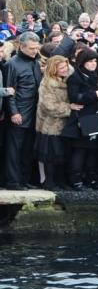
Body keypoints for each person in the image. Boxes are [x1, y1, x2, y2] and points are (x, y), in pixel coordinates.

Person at [65, 47, 98, 190]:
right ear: (82, 62)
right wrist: (95, 94)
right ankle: (76, 179)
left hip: (93, 117)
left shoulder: (93, 75)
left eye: (95, 61)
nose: (93, 64)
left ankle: (90, 178)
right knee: (81, 149)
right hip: (82, 117)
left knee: (92, 149)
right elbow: (75, 97)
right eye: (90, 61)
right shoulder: (76, 77)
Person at [4, 32, 41, 190]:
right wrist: (14, 112)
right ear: (21, 46)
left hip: (34, 112)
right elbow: (9, 91)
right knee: (14, 149)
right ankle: (12, 181)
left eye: (36, 48)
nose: (34, 51)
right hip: (19, 112)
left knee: (28, 149)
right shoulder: (12, 64)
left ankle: (24, 179)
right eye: (31, 48)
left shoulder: (35, 63)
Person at [35, 55, 71, 190]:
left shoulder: (66, 79)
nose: (65, 69)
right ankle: (49, 182)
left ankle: (60, 181)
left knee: (61, 154)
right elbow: (48, 106)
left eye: (65, 66)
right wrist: (69, 107)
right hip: (50, 124)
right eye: (61, 67)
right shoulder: (47, 83)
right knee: (50, 156)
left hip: (64, 124)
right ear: (53, 69)